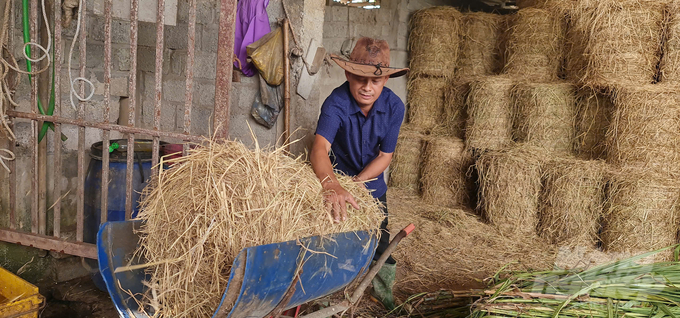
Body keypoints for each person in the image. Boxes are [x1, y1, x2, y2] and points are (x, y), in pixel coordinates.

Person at [310, 37, 408, 310]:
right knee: (331, 237)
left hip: (371, 183)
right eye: (360, 79)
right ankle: (325, 295)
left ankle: (382, 291)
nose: (367, 88)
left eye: (375, 81)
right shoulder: (336, 102)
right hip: (335, 178)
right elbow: (319, 147)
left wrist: (356, 184)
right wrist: (332, 184)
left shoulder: (394, 107)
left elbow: (384, 156)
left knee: (380, 239)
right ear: (348, 74)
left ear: (385, 80)